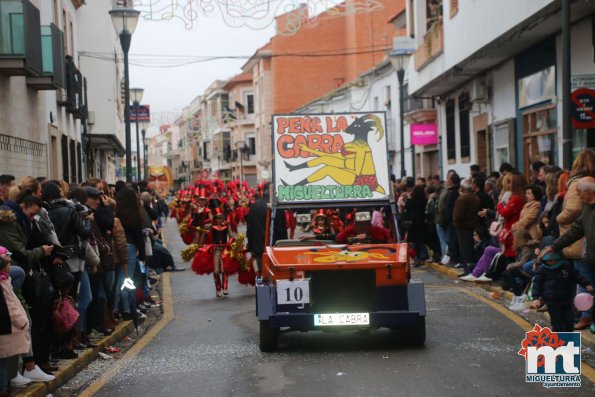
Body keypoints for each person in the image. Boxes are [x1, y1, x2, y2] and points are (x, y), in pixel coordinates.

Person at [541, 176, 595, 331]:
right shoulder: (587, 209)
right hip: (591, 258)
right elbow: (575, 231)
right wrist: (554, 246)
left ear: (588, 192)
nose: (578, 196)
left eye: (579, 193)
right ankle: (589, 318)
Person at [553, 150, 594, 330]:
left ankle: (585, 316)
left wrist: (558, 218)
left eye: (580, 193)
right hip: (584, 243)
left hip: (581, 246)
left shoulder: (578, 183)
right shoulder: (588, 205)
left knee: (583, 279)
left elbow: (572, 212)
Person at [531, 250, 593, 332]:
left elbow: (577, 276)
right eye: (549, 261)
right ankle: (558, 339)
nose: (552, 262)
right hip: (551, 301)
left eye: (554, 260)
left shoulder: (566, 267)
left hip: (566, 299)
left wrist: (586, 284)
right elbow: (537, 284)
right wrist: (535, 298)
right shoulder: (542, 270)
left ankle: (568, 338)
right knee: (556, 322)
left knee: (569, 320)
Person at [0, 246, 32, 397]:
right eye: (7, 263)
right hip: (5, 330)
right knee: (2, 365)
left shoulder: (6, 281)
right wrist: (23, 321)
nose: (10, 264)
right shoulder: (3, 285)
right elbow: (10, 307)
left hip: (6, 330)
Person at [246, 182, 287, 273]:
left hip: (259, 249)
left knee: (262, 277)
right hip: (275, 249)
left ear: (263, 192)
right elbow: (282, 230)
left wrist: (250, 246)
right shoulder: (277, 206)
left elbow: (249, 230)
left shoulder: (254, 206)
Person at [501, 229, 539, 311]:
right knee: (507, 273)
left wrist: (510, 266)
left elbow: (522, 262)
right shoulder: (522, 247)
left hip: (527, 271)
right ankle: (518, 294)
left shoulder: (526, 248)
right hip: (523, 269)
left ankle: (518, 295)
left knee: (509, 272)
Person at [453, 180, 480, 276]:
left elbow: (458, 215)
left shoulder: (462, 198)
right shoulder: (475, 197)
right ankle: (471, 270)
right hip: (473, 225)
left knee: (464, 249)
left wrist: (456, 224)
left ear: (463, 188)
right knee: (471, 249)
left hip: (463, 227)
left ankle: (467, 271)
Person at [206, 209, 231, 297]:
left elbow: (231, 237)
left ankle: (225, 288)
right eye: (217, 218)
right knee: (216, 269)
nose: (219, 220)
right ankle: (218, 289)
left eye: (221, 218)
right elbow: (208, 237)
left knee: (224, 269)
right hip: (216, 249)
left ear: (224, 218)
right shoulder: (212, 227)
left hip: (225, 249)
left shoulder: (227, 226)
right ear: (215, 219)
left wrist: (229, 243)